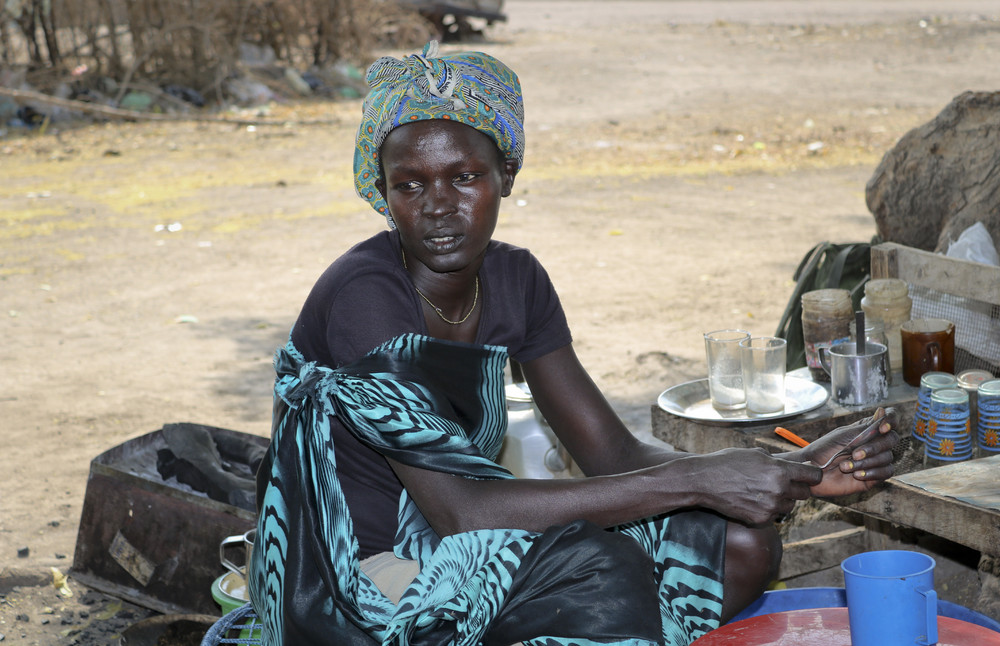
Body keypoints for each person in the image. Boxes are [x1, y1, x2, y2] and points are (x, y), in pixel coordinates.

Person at [247, 42, 899, 646]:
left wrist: (795, 471)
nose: (438, 205)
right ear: (384, 194)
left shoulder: (515, 281)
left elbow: (610, 451)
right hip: (348, 572)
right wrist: (695, 476)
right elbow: (463, 512)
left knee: (737, 543)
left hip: (447, 538)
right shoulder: (366, 295)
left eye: (465, 176)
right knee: (595, 569)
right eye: (409, 184)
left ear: (505, 173)